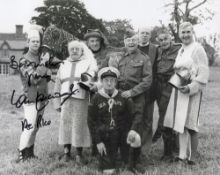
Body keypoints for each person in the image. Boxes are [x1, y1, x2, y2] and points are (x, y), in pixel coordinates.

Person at [163, 22, 209, 165]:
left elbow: (204, 72)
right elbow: (178, 68)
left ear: (192, 32)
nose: (185, 35)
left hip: (192, 91)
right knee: (180, 123)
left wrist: (191, 87)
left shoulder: (198, 49)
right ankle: (182, 155)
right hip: (179, 89)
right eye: (183, 33)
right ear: (179, 34)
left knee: (191, 124)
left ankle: (192, 158)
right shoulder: (181, 49)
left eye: (188, 32)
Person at [109, 29, 152, 171]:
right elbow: (114, 76)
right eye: (128, 40)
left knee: (136, 129)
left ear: (137, 41)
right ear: (124, 42)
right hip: (121, 98)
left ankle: (135, 162)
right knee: (122, 127)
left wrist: (132, 92)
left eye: (134, 39)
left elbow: (147, 80)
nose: (131, 42)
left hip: (136, 99)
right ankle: (124, 159)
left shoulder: (144, 58)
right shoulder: (120, 58)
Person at [53, 40, 98, 163]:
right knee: (65, 125)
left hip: (81, 99)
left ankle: (79, 154)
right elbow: (57, 83)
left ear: (81, 51)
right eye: (71, 49)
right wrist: (57, 102)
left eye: (76, 49)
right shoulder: (63, 64)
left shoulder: (88, 63)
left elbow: (92, 81)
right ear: (68, 51)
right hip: (65, 99)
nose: (74, 51)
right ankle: (66, 153)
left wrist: (88, 84)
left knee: (79, 125)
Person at [88, 67, 134, 174]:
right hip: (105, 136)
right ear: (101, 82)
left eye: (112, 80)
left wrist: (131, 132)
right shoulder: (96, 98)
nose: (109, 83)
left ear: (116, 82)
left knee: (131, 164)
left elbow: (133, 116)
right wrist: (98, 141)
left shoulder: (123, 96)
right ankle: (108, 155)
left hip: (121, 134)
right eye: (106, 80)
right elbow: (92, 122)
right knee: (108, 170)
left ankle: (125, 155)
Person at [16, 29, 51, 162]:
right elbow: (33, 79)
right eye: (33, 41)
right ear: (28, 42)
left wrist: (44, 67)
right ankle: (21, 154)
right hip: (30, 98)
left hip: (42, 97)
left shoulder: (41, 57)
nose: (36, 43)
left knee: (36, 127)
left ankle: (29, 153)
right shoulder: (24, 60)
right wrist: (43, 64)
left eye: (38, 41)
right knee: (29, 127)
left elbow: (47, 77)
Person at [151, 28, 181, 161]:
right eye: (161, 40)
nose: (163, 42)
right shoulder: (157, 50)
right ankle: (173, 148)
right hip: (158, 85)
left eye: (166, 39)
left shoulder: (179, 49)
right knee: (165, 116)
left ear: (171, 39)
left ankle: (169, 152)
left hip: (170, 85)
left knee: (165, 118)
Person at [137, 27, 159, 155]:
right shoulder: (133, 47)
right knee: (135, 118)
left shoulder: (155, 49)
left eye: (147, 33)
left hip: (150, 89)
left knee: (148, 119)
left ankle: (144, 150)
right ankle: (132, 146)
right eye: (142, 33)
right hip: (134, 88)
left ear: (150, 36)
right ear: (138, 35)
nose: (144, 35)